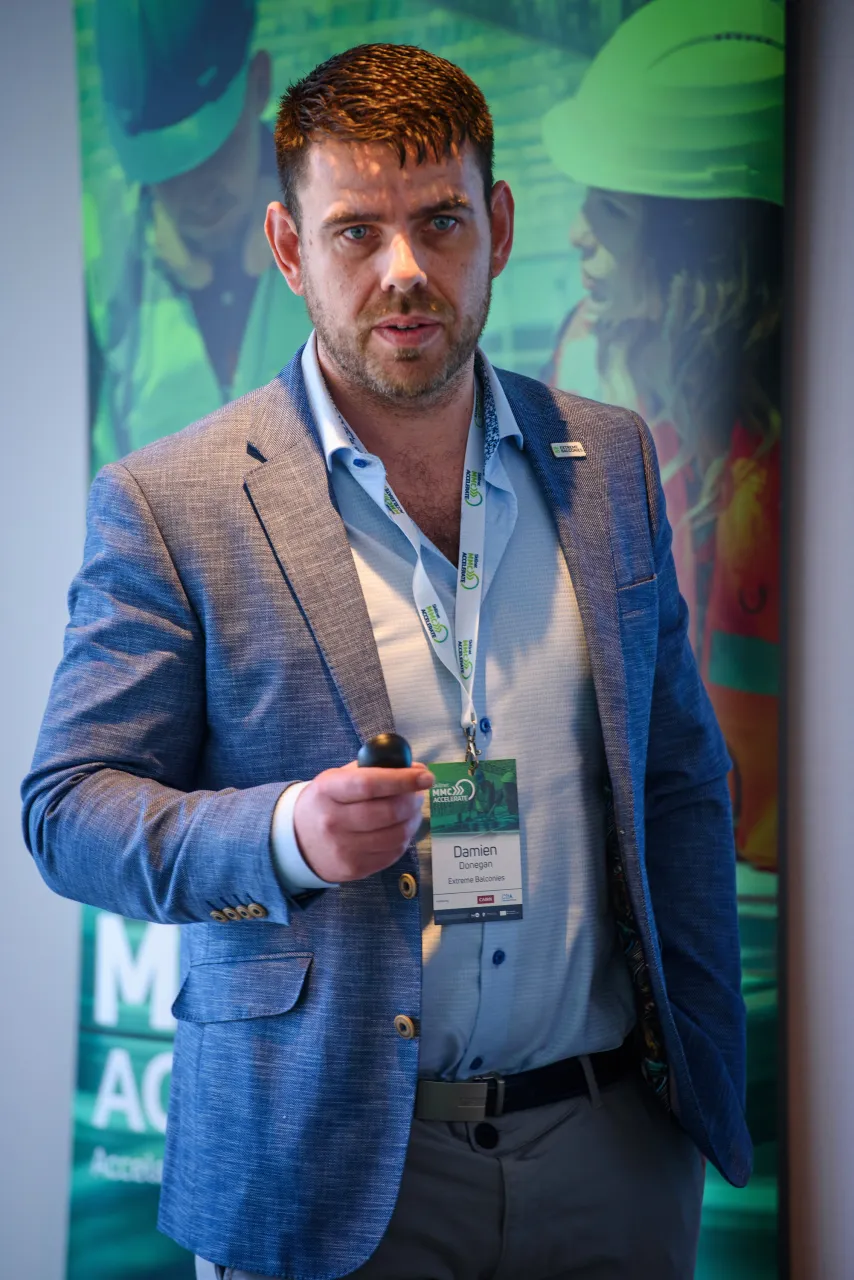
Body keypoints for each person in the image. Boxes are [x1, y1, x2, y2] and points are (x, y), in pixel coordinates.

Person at [23, 43, 749, 1280]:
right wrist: (286, 836)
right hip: (328, 1160)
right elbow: (67, 809)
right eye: (355, 231)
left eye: (440, 222)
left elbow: (675, 772)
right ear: (289, 246)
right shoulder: (171, 499)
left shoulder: (612, 460)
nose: (404, 271)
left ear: (499, 226)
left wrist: (687, 1095)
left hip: (609, 1150)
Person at [541, 0, 784, 873]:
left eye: (612, 212)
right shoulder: (586, 358)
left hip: (752, 879)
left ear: (699, 253)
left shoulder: (783, 464)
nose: (576, 233)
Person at [88, 0, 308, 471]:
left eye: (213, 147)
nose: (196, 186)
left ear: (258, 84)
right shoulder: (94, 271)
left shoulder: (341, 229)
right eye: (165, 168)